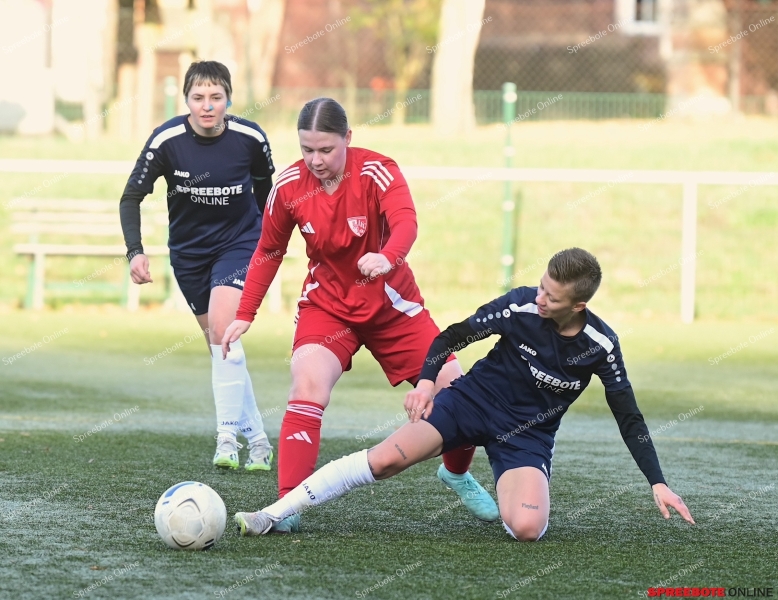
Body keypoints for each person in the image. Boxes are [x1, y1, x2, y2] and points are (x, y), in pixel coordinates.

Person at [233, 248, 696, 539]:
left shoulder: (600, 345)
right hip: (470, 403)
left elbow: (629, 418)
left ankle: (505, 478)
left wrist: (657, 481)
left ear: (579, 305)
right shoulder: (520, 305)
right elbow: (450, 336)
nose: (540, 299)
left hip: (527, 437)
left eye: (552, 298)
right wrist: (429, 382)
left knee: (528, 529)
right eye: (541, 287)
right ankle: (273, 513)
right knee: (386, 460)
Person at [221, 97, 498, 533]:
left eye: (326, 149)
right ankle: (286, 506)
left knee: (455, 390)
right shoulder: (290, 186)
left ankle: (456, 473)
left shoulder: (376, 171)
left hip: (393, 308)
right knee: (307, 386)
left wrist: (388, 257)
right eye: (306, 149)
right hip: (328, 308)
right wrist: (246, 311)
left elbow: (407, 222)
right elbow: (269, 249)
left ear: (348, 139)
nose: (315, 160)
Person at [119, 60, 275, 471]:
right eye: (198, 98)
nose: (207, 106)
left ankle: (226, 439)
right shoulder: (167, 139)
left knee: (224, 331)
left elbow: (267, 196)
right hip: (188, 256)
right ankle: (258, 439)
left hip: (239, 246)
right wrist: (135, 250)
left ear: (228, 99)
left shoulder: (250, 138)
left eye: (216, 98)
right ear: (186, 99)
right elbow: (130, 198)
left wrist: (264, 250)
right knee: (222, 348)